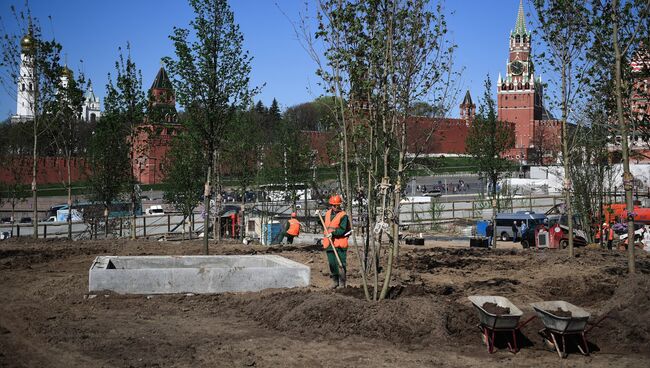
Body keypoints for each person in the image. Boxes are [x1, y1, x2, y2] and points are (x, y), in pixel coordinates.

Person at [322, 194, 351, 289]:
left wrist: (333, 233)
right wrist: (318, 216)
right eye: (334, 205)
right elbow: (325, 224)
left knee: (341, 263)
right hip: (329, 243)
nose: (335, 207)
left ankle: (342, 283)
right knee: (332, 263)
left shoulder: (343, 216)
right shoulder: (327, 214)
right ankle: (335, 282)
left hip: (340, 243)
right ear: (331, 205)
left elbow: (343, 230)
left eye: (337, 205)